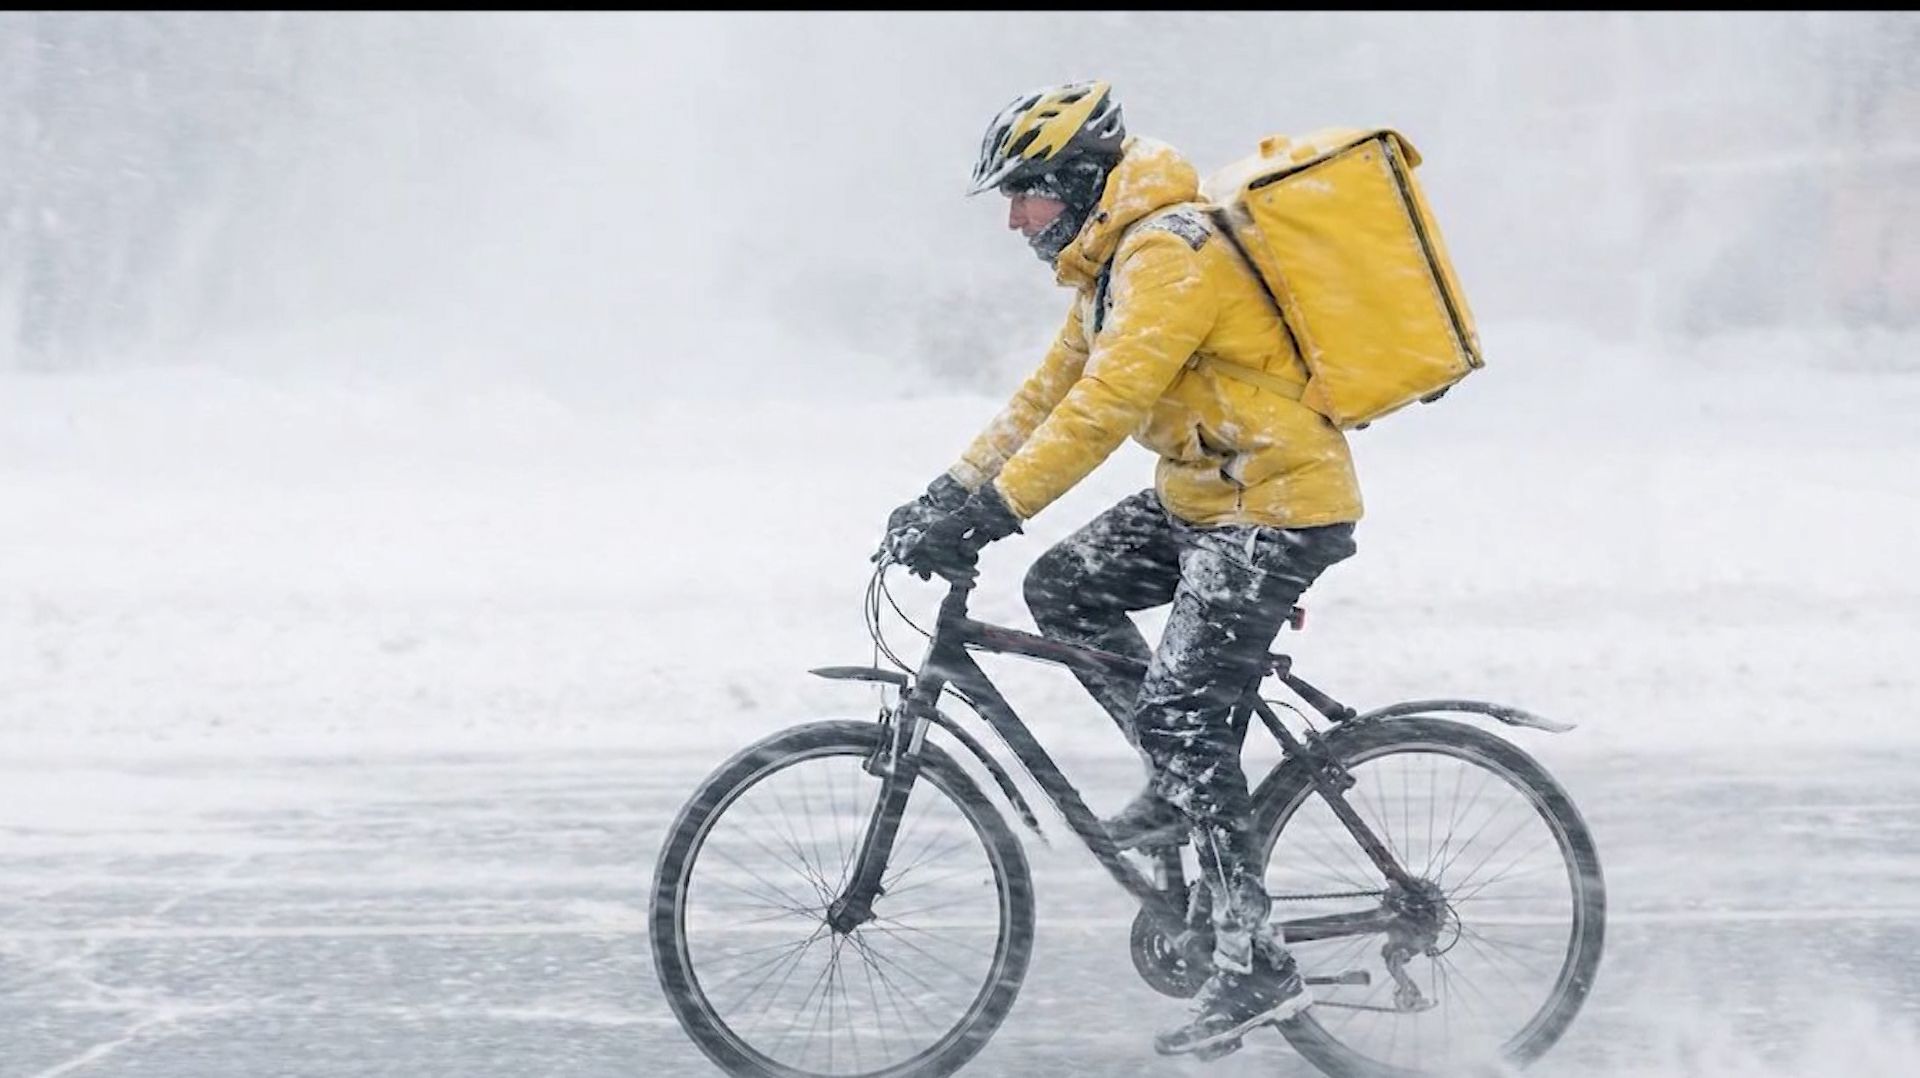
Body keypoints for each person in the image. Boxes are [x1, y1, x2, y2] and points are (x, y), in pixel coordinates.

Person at [879, 80, 1363, 1059]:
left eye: (1025, 192)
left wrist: (998, 509)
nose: (1015, 217)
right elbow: (1043, 397)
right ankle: (1176, 779)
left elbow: (1105, 407)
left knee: (1183, 710)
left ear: (1073, 179)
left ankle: (1254, 956)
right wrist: (947, 489)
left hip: (1272, 505)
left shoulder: (1170, 252)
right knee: (1065, 588)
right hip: (1209, 497)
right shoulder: (1108, 264)